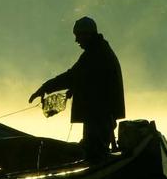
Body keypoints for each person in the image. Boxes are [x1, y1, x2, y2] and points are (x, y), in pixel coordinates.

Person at [28, 16, 126, 161]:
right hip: (101, 114)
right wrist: (73, 89)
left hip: (99, 114)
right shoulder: (100, 50)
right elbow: (89, 79)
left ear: (87, 34)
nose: (77, 41)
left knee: (95, 153)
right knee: (95, 151)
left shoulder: (95, 54)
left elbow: (72, 76)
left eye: (78, 36)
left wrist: (44, 88)